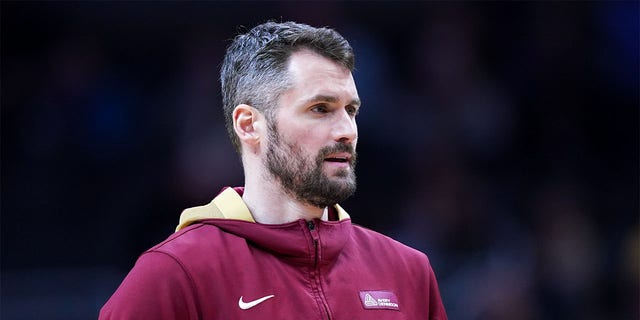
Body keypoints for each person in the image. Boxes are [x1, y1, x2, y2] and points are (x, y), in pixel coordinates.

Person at [99, 21, 447, 319]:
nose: (347, 130)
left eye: (351, 110)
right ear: (249, 125)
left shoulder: (408, 272)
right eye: (321, 108)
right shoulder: (173, 275)